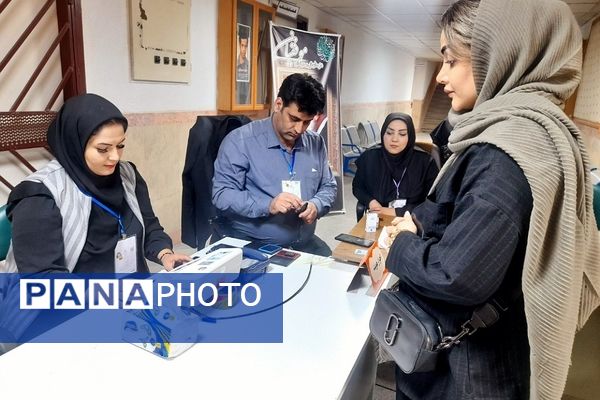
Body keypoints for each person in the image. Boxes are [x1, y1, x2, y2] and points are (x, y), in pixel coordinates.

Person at [384, 0, 600, 399]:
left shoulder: (505, 151)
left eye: (451, 60)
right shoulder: (526, 132)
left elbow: (456, 274)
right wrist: (424, 223)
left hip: (469, 372)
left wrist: (400, 245)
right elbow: (470, 219)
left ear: (497, 56)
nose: (440, 76)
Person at [2, 93, 191, 273]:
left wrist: (165, 254)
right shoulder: (39, 195)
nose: (115, 157)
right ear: (75, 143)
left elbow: (150, 227)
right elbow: (45, 278)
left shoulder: (127, 174)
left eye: (120, 146)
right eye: (103, 149)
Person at [212, 73, 337, 256]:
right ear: (278, 105)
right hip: (253, 244)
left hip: (303, 244)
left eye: (307, 122)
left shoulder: (315, 143)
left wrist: (316, 205)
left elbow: (329, 186)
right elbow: (222, 195)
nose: (299, 130)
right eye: (294, 119)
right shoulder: (240, 142)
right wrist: (268, 205)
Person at [352, 113, 439, 218]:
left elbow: (432, 203)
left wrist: (395, 212)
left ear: (410, 136)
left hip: (413, 220)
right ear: (383, 133)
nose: (394, 139)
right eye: (389, 133)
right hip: (378, 218)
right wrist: (371, 202)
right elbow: (358, 187)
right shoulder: (370, 157)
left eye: (402, 134)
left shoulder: (425, 162)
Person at [236, 24, 250, 104]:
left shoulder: (248, 64)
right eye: (242, 46)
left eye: (246, 46)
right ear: (239, 45)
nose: (244, 49)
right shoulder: (235, 63)